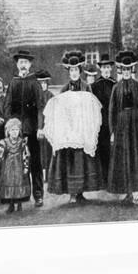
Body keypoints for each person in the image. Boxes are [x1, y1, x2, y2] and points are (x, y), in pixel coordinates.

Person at [43, 50, 103, 204]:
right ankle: (72, 194)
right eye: (71, 70)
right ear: (68, 72)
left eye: (76, 70)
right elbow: (60, 112)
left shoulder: (86, 88)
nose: (74, 73)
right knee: (70, 162)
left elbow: (91, 108)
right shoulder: (64, 90)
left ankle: (81, 192)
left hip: (82, 130)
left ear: (80, 71)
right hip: (70, 132)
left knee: (83, 161)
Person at [108, 51, 138, 207]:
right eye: (124, 69)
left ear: (132, 70)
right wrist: (112, 132)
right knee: (125, 158)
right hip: (122, 127)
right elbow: (112, 111)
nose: (127, 72)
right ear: (121, 70)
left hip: (136, 126)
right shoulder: (116, 87)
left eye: (129, 69)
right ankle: (128, 193)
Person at [4, 50, 45, 207]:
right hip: (16, 131)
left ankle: (38, 195)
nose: (23, 65)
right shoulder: (13, 83)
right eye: (20, 62)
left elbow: (41, 107)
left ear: (30, 65)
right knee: (17, 163)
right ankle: (20, 196)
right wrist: (10, 126)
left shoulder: (34, 83)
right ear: (17, 64)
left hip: (32, 128)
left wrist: (40, 127)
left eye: (26, 62)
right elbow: (7, 105)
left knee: (35, 162)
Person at [0, 118, 31, 213]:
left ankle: (19, 204)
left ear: (20, 131)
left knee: (19, 184)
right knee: (9, 183)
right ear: (8, 131)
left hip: (19, 167)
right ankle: (11, 204)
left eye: (17, 130)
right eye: (12, 130)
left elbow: (26, 155)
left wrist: (26, 166)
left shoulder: (22, 142)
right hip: (8, 168)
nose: (15, 132)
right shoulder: (4, 142)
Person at [91, 53, 116, 184]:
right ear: (100, 69)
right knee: (102, 150)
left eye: (108, 68)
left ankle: (113, 178)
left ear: (111, 69)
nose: (106, 70)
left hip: (113, 123)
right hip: (100, 123)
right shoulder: (95, 86)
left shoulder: (115, 85)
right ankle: (104, 179)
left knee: (113, 150)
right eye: (104, 67)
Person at [36, 69, 55, 182]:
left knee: (48, 151)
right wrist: (38, 127)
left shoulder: (51, 96)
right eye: (41, 83)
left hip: (48, 125)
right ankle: (40, 175)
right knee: (39, 153)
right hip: (38, 126)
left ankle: (49, 174)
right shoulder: (35, 96)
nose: (43, 85)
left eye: (45, 83)